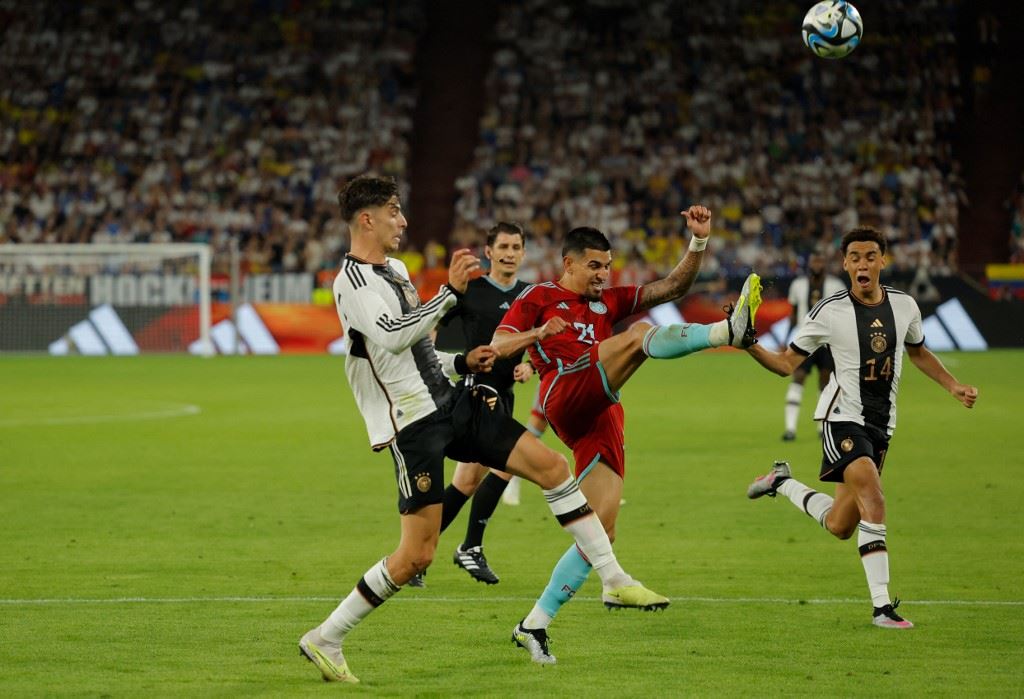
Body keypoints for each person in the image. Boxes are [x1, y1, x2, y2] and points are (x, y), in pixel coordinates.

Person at [298, 175, 664, 683]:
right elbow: (393, 337)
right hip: (414, 423)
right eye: (394, 212)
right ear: (367, 219)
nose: (403, 221)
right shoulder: (352, 282)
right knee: (416, 555)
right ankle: (327, 636)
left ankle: (612, 577)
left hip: (452, 400)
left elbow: (420, 348)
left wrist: (461, 361)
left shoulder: (397, 271)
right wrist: (450, 293)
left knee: (552, 466)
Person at [492, 208, 763, 664]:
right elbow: (499, 344)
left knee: (600, 528)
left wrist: (698, 242)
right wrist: (538, 332)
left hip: (602, 411)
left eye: (607, 265)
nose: (603, 274)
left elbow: (672, 287)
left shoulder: (609, 301)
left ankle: (534, 623)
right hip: (564, 391)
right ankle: (725, 332)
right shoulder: (539, 297)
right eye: (594, 265)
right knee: (637, 336)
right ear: (569, 264)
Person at [744, 226, 978, 629]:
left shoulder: (905, 306)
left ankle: (781, 482)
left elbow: (919, 352)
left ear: (882, 260)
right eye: (855, 257)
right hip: (841, 418)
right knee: (874, 498)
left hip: (881, 425)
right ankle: (882, 607)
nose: (863, 264)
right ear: (846, 264)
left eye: (870, 256)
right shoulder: (828, 311)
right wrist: (749, 344)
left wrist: (953, 386)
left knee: (840, 524)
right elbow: (785, 364)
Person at [426, 221, 535, 586]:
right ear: (489, 252)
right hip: (476, 394)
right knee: (509, 465)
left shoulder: (529, 295)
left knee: (466, 482)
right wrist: (431, 360)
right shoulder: (471, 290)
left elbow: (540, 342)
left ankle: (417, 552)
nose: (509, 253)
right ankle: (470, 547)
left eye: (515, 247)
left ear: (523, 253)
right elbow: (431, 324)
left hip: (504, 394)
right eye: (503, 247)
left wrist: (530, 365)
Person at [781, 252, 847, 441]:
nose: (817, 264)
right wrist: (786, 338)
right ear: (809, 263)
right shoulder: (798, 285)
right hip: (804, 341)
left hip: (828, 343)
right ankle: (790, 429)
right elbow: (793, 314)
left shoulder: (836, 286)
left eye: (820, 261)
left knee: (825, 382)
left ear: (825, 264)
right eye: (814, 261)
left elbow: (843, 316)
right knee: (798, 378)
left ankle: (822, 427)